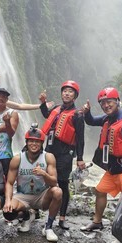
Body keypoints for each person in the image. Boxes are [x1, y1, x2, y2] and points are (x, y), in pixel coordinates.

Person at [80, 87, 122, 240]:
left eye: (109, 102)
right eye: (103, 103)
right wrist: (87, 112)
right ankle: (97, 222)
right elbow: (91, 121)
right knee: (100, 191)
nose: (106, 105)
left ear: (117, 102)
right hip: (114, 167)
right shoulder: (107, 119)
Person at [38, 80, 86, 230]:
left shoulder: (78, 114)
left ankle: (62, 217)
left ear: (75, 96)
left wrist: (79, 158)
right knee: (47, 180)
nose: (67, 93)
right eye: (65, 91)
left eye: (70, 91)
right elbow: (46, 114)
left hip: (66, 153)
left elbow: (80, 138)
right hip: (50, 150)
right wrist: (43, 102)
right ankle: (44, 210)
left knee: (63, 184)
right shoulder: (57, 108)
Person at [3, 125, 62, 242]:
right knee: (8, 213)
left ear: (41, 144)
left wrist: (44, 174)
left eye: (37, 142)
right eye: (31, 141)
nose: (34, 144)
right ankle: (27, 215)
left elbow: (54, 182)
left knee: (58, 192)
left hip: (42, 196)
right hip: (23, 195)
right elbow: (9, 183)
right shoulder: (17, 159)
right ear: (26, 142)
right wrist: (8, 201)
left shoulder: (48, 157)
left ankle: (48, 227)